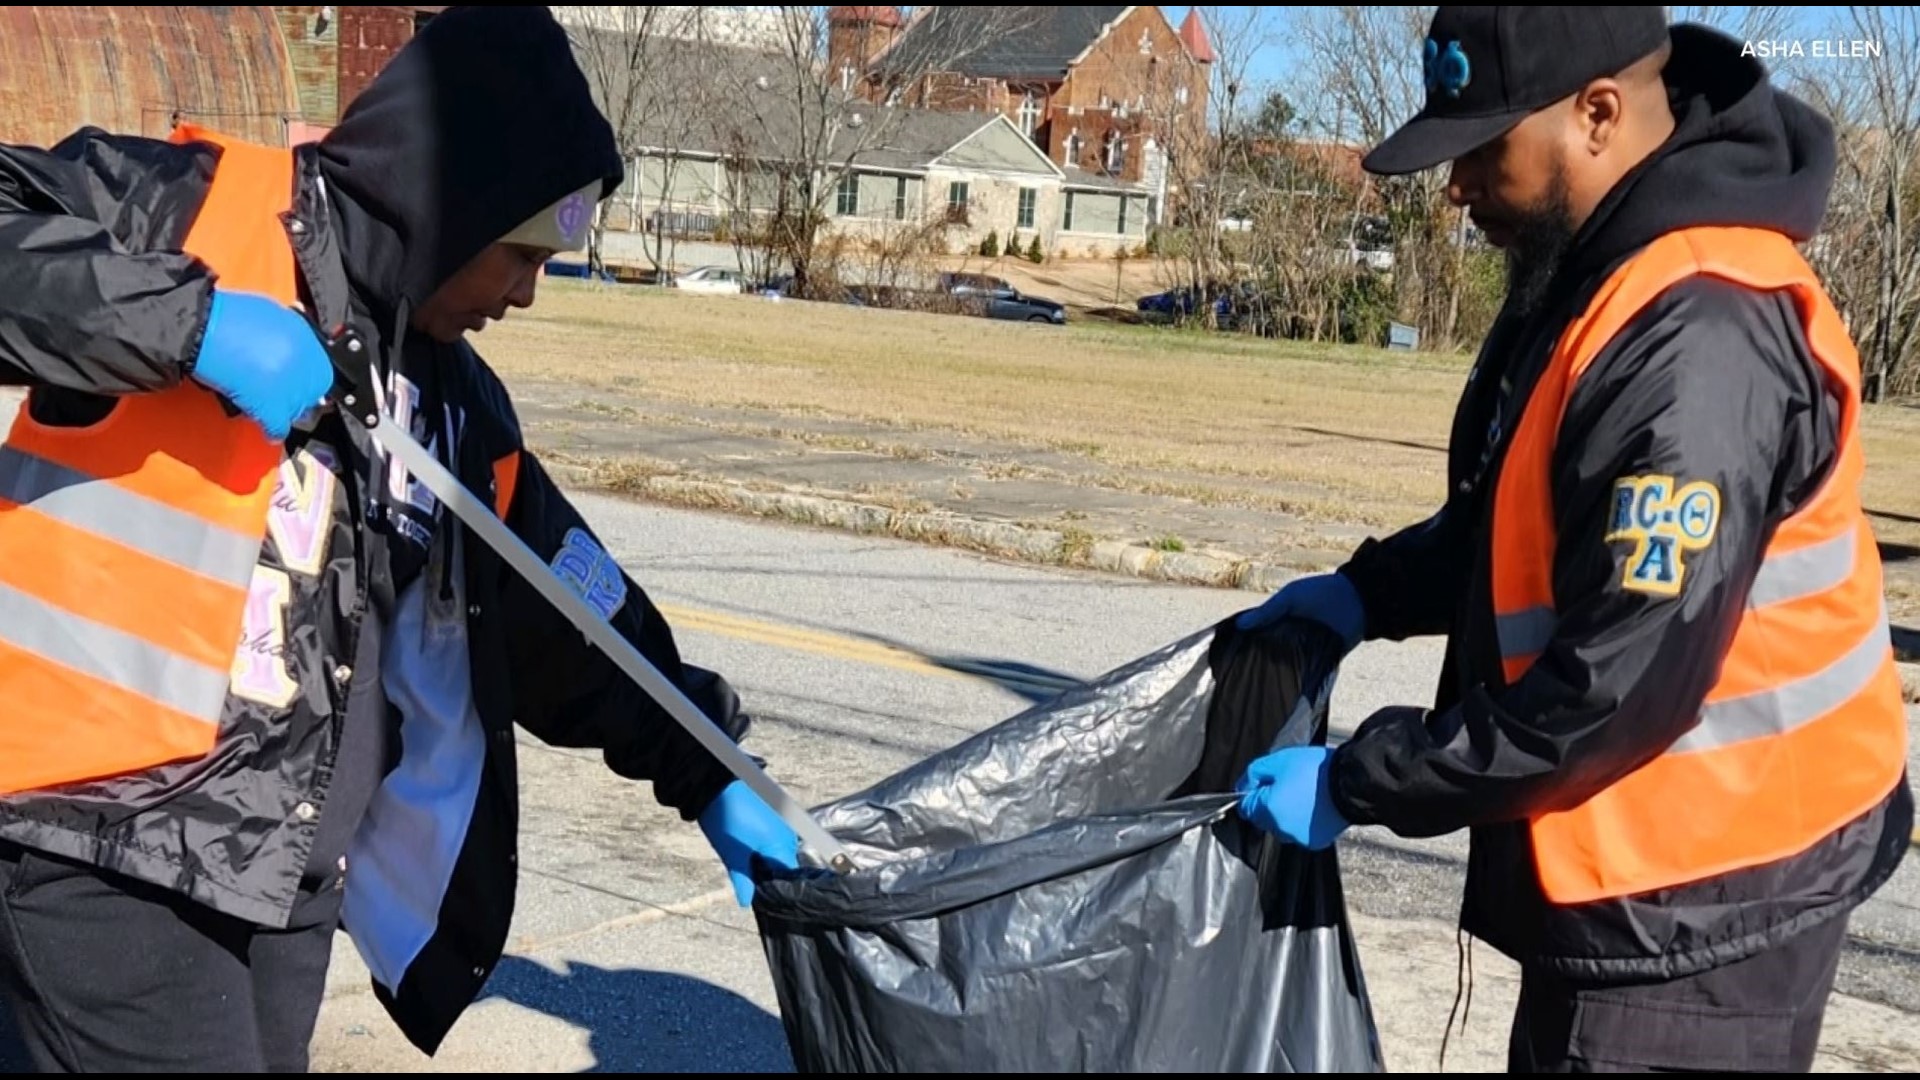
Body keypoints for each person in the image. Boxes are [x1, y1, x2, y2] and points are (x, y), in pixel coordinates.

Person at [0, 6, 805, 1071]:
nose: (528, 290)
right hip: (98, 839)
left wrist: (707, 766)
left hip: (273, 874)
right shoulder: (191, 214)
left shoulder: (452, 411)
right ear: (448, 201)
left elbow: (570, 605)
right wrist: (186, 327)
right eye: (519, 253)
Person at [1233, 6, 1913, 1073]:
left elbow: (1613, 686)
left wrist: (1367, 779)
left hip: (1705, 898)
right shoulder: (1604, 269)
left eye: (1480, 150)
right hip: (1635, 865)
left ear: (1596, 116)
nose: (1454, 187)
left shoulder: (1700, 332)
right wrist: (1369, 592)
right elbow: (1526, 519)